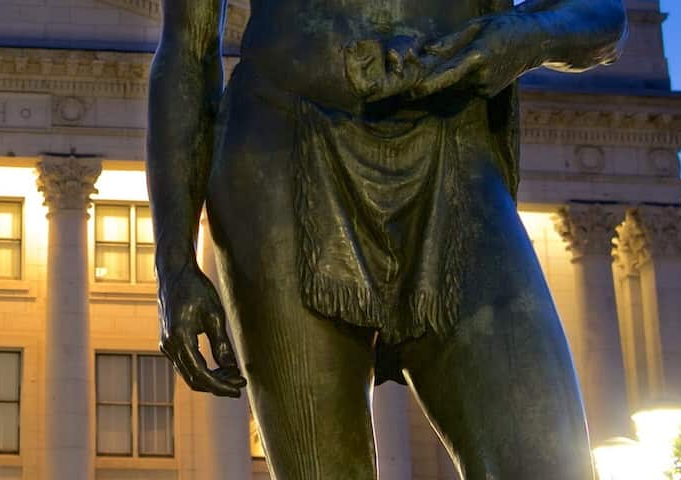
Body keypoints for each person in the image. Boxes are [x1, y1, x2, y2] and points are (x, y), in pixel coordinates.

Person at [145, 0, 626, 478]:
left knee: (549, 465)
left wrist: (525, 36)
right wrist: (174, 264)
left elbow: (601, 12)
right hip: (283, 155)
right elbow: (189, 48)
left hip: (455, 152)